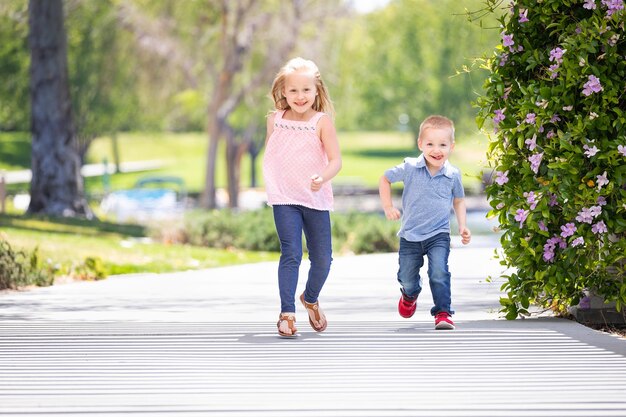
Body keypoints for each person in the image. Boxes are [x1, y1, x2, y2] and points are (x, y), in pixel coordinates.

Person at [262, 57, 342, 337]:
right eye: (293, 90)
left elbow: (335, 160)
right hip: (284, 197)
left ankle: (309, 298)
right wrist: (272, 184)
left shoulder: (321, 122)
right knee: (291, 252)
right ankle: (287, 314)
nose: (299, 96)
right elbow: (273, 155)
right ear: (283, 91)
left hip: (314, 198)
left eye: (306, 90)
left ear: (317, 91)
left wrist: (323, 177)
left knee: (323, 259)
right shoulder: (275, 120)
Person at [379, 115, 471, 330]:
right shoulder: (410, 167)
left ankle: (443, 312)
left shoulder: (453, 174)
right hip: (410, 235)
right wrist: (388, 206)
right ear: (420, 144)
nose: (436, 150)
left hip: (439, 234)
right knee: (406, 277)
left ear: (452, 147)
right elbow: (385, 178)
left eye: (442, 144)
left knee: (439, 272)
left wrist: (463, 225)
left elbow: (458, 201)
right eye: (430, 144)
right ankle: (410, 294)